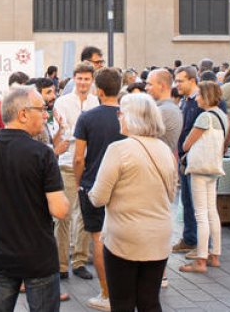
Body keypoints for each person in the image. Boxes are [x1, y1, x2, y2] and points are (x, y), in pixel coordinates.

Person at [0, 88, 69, 312]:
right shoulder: (43, 154)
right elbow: (60, 209)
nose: (45, 115)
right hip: (38, 256)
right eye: (42, 109)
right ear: (23, 114)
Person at [88, 93, 178, 312]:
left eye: (121, 112)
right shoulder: (164, 149)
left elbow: (98, 198)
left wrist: (88, 191)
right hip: (159, 235)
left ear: (131, 117)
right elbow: (172, 195)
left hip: (124, 237)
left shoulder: (119, 149)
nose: (118, 116)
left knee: (122, 303)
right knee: (150, 301)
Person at [73, 66, 125, 311]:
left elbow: (78, 158)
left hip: (92, 184)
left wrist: (78, 181)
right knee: (122, 236)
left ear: (98, 89)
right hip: (124, 184)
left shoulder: (87, 118)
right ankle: (124, 291)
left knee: (98, 238)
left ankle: (106, 293)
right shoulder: (127, 117)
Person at [53, 61, 99, 280]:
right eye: (79, 79)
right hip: (67, 163)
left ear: (92, 80)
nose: (82, 83)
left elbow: (83, 133)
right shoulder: (63, 102)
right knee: (64, 215)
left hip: (89, 164)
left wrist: (76, 133)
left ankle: (79, 260)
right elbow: (62, 133)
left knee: (84, 215)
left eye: (86, 79)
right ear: (74, 79)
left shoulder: (95, 101)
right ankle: (61, 264)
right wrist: (81, 134)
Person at [179, 80, 228, 275]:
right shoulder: (223, 116)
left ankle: (200, 259)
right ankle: (215, 255)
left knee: (200, 214)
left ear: (206, 96)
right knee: (211, 212)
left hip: (199, 169)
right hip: (214, 167)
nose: (197, 98)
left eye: (199, 94)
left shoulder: (204, 117)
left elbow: (186, 145)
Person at [172, 66, 202, 254]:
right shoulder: (185, 101)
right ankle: (190, 238)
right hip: (185, 159)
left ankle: (201, 243)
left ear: (192, 80)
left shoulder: (200, 102)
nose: (177, 85)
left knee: (197, 202)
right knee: (187, 200)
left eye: (180, 81)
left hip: (195, 158)